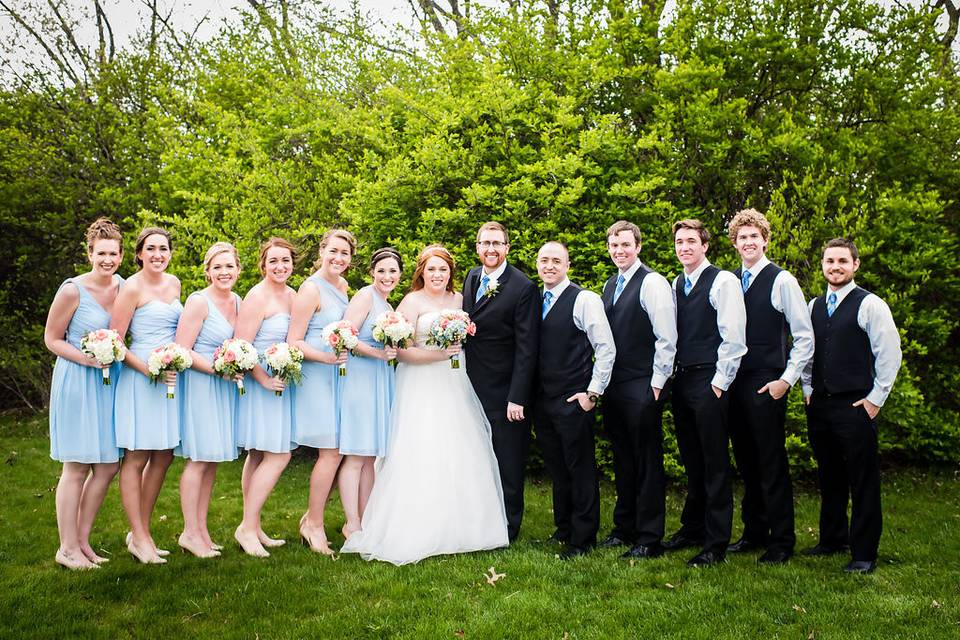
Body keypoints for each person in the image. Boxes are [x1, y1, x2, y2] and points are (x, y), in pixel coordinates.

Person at [341, 245, 509, 565]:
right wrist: (439, 355)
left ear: (450, 273)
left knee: (460, 447)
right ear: (422, 272)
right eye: (431, 270)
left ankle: (465, 527)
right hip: (419, 383)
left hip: (453, 382)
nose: (437, 275)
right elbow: (402, 351)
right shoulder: (411, 302)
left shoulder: (459, 300)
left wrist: (453, 352)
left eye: (443, 270)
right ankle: (415, 525)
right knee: (420, 448)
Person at [801, 238, 901, 574]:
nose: (835, 267)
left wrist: (875, 400)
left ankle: (864, 553)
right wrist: (807, 388)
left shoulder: (870, 305)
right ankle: (832, 539)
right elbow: (807, 351)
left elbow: (889, 353)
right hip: (820, 405)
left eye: (842, 261)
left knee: (862, 480)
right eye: (830, 261)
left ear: (855, 265)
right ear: (823, 265)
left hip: (856, 404)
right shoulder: (814, 304)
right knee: (829, 477)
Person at [725, 209, 813, 564]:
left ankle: (782, 541)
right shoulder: (730, 281)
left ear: (765, 239)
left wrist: (786, 380)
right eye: (741, 237)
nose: (748, 242)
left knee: (771, 462)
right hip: (735, 382)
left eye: (753, 236)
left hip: (767, 382)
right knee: (746, 461)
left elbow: (804, 337)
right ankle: (754, 532)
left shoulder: (782, 280)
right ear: (735, 243)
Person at [44, 218, 125, 570]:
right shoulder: (72, 290)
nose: (107, 260)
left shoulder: (123, 287)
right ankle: (66, 548)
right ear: (90, 253)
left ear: (121, 256)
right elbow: (52, 339)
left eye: (113, 254)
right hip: (78, 379)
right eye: (101, 253)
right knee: (76, 466)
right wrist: (88, 358)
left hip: (111, 383)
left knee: (108, 465)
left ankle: (83, 541)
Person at [666, 219, 747, 567]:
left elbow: (734, 337)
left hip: (709, 380)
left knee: (714, 463)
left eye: (691, 241)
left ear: (705, 246)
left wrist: (719, 382)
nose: (684, 247)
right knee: (692, 460)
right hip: (682, 380)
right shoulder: (676, 283)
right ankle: (693, 528)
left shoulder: (723, 281)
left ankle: (716, 542)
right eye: (680, 242)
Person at [599, 221, 677, 560]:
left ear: (638, 246)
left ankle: (649, 537)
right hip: (615, 385)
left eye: (625, 245)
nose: (619, 251)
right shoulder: (610, 284)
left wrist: (657, 384)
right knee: (624, 459)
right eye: (614, 245)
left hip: (643, 384)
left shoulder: (653, 283)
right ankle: (624, 528)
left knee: (646, 462)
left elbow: (667, 338)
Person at [534, 241, 615, 559]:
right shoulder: (535, 299)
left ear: (567, 265)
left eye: (556, 260)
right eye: (544, 261)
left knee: (579, 469)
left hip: (573, 398)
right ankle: (564, 528)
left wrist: (592, 392)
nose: (549, 266)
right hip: (543, 400)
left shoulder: (584, 300)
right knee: (557, 468)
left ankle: (583, 538)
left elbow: (605, 347)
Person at [462, 222, 540, 542]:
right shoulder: (471, 276)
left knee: (507, 458)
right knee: (476, 455)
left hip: (506, 390)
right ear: (478, 246)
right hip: (469, 385)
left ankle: (509, 526)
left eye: (497, 243)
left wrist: (518, 397)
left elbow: (527, 347)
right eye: (485, 243)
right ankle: (479, 518)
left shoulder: (523, 287)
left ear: (507, 247)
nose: (490, 249)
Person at [112, 226, 182, 564]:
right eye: (151, 248)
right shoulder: (131, 288)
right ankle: (139, 537)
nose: (158, 254)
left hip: (169, 377)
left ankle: (141, 531)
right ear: (139, 253)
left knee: (165, 454)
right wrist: (147, 369)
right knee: (137, 456)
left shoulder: (175, 284)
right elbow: (115, 341)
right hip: (141, 377)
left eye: (163, 248)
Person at [174, 242, 243, 559]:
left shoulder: (239, 302)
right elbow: (182, 350)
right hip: (203, 386)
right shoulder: (198, 302)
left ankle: (201, 531)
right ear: (208, 271)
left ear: (238, 270)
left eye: (229, 266)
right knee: (199, 459)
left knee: (211, 460)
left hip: (224, 387)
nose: (224, 272)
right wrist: (219, 370)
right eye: (217, 267)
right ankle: (189, 532)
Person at [288, 229, 352, 555]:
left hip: (338, 376)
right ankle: (314, 524)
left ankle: (311, 518)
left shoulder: (343, 287)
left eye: (345, 253)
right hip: (316, 375)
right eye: (334, 251)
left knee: (341, 451)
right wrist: (326, 356)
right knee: (332, 451)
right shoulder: (310, 289)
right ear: (322, 250)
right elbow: (294, 341)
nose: (338, 258)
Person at [233, 237, 297, 558]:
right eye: (273, 261)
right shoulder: (257, 297)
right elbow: (241, 345)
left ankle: (253, 526)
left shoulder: (292, 295)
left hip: (281, 382)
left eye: (285, 260)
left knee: (258, 454)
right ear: (263, 264)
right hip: (263, 384)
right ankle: (246, 527)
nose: (280, 266)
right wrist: (264, 379)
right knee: (278, 454)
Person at [337, 248, 401, 541]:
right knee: (355, 455)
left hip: (379, 379)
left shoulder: (389, 306)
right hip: (361, 379)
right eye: (382, 271)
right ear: (372, 273)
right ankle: (351, 523)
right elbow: (345, 337)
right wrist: (379, 354)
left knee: (370, 454)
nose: (387, 277)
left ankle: (366, 518)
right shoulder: (365, 296)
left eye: (393, 271)